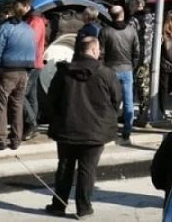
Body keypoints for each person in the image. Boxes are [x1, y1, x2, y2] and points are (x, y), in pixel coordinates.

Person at [45, 36, 121, 219]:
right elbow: (116, 99)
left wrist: (56, 118)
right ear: (94, 51)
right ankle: (83, 208)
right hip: (95, 129)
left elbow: (51, 99)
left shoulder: (63, 73)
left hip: (67, 127)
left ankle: (59, 205)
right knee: (87, 170)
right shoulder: (106, 73)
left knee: (64, 167)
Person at [0, 5, 36, 150]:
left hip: (7, 70)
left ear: (9, 14)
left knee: (1, 105)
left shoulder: (5, 29)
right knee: (17, 105)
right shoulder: (29, 29)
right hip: (24, 71)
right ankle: (16, 139)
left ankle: (0, 139)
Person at [98, 4, 139, 145]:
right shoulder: (131, 31)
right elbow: (137, 51)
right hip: (127, 69)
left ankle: (110, 129)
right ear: (123, 14)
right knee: (128, 102)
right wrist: (132, 65)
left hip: (111, 70)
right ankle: (127, 131)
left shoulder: (105, 31)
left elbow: (101, 54)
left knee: (110, 102)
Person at [17, 0, 46, 141]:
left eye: (18, 7)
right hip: (35, 62)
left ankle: (32, 124)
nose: (17, 10)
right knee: (31, 96)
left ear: (26, 6)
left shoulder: (34, 21)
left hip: (31, 63)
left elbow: (29, 41)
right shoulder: (35, 20)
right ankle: (30, 126)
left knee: (20, 94)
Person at [129, 0, 155, 126]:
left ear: (135, 6)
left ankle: (134, 115)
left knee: (132, 87)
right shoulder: (153, 19)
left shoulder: (133, 21)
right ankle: (143, 114)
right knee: (144, 87)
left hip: (136, 58)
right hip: (148, 58)